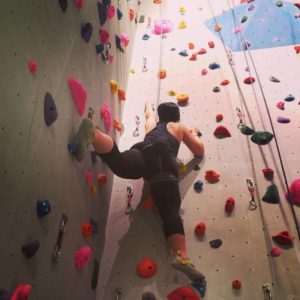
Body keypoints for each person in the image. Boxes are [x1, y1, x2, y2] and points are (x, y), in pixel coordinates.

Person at [69, 101, 206, 288]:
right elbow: (199, 151)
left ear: (160, 115)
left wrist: (149, 105)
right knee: (170, 212)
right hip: (163, 163)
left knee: (121, 163)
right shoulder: (179, 126)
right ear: (176, 116)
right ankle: (181, 256)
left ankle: (94, 134)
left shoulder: (152, 124)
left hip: (144, 151)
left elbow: (148, 113)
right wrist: (195, 134)